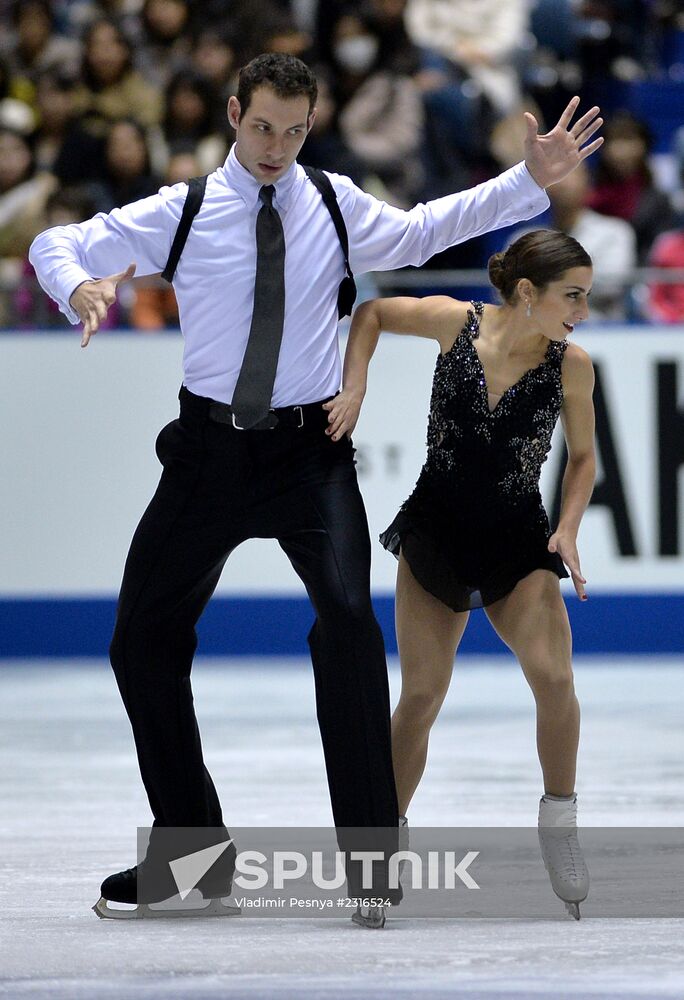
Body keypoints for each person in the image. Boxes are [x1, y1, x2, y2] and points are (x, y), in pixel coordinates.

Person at [29, 53, 602, 928]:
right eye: (263, 126)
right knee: (138, 640)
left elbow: (420, 231)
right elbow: (55, 241)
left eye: (295, 132)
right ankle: (193, 862)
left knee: (346, 620)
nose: (276, 147)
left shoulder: (333, 202)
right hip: (207, 455)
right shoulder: (182, 210)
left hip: (310, 452)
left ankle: (371, 866)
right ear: (232, 112)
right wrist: (79, 283)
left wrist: (526, 180)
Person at [326, 229, 597, 919]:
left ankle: (558, 819)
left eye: (588, 297)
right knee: (420, 696)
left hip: (516, 540)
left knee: (556, 678)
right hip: (435, 534)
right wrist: (354, 382)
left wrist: (565, 526)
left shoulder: (573, 365)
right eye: (574, 295)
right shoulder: (454, 322)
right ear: (528, 292)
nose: (583, 310)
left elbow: (584, 459)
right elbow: (375, 313)